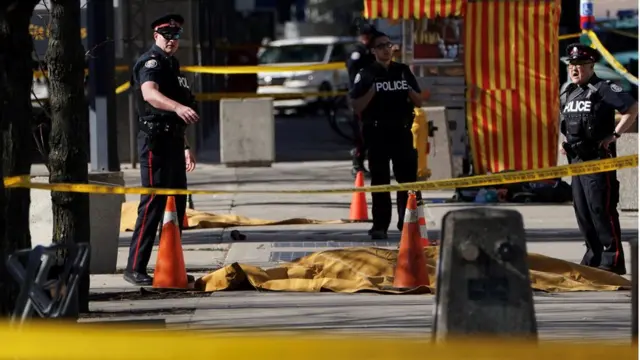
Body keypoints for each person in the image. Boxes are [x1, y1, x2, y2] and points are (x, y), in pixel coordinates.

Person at [124, 14, 199, 286]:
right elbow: (150, 94)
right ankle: (135, 267)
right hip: (155, 142)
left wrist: (186, 146)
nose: (171, 40)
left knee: (176, 206)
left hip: (174, 142)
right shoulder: (151, 62)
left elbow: (179, 110)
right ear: (156, 35)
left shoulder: (172, 65)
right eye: (167, 35)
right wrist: (178, 107)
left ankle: (170, 266)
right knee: (154, 204)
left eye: (176, 35)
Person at [559, 43, 638, 275]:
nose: (575, 70)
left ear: (591, 66)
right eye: (572, 65)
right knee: (582, 211)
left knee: (600, 209)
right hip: (576, 162)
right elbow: (569, 123)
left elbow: (632, 108)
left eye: (580, 65)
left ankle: (611, 260)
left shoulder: (603, 88)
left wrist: (615, 135)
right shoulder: (569, 92)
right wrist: (567, 144)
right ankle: (592, 257)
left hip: (598, 159)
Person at [349, 31, 423, 240]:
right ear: (373, 51)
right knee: (380, 181)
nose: (385, 49)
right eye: (381, 46)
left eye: (388, 45)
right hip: (377, 132)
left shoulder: (402, 71)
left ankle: (407, 222)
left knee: (407, 181)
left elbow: (419, 101)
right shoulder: (365, 73)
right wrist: (372, 90)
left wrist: (407, 88)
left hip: (402, 131)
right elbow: (355, 105)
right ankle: (380, 225)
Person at [346, 24, 376, 177]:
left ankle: (367, 163)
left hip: (370, 96)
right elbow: (354, 69)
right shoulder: (357, 52)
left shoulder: (370, 51)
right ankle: (357, 164)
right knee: (360, 133)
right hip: (359, 97)